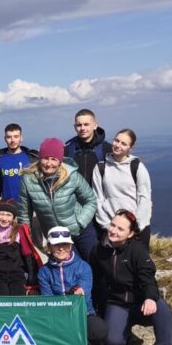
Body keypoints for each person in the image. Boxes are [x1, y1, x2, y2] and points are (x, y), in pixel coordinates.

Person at [90, 209, 172, 345]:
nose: (114, 231)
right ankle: (126, 335)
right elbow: (95, 281)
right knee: (114, 342)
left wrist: (150, 298)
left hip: (140, 303)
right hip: (117, 303)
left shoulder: (137, 250)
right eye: (113, 225)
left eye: (120, 229)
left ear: (130, 234)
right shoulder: (98, 250)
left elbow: (148, 277)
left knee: (162, 310)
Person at [37, 227, 109, 345]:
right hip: (58, 317)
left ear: (71, 246)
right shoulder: (44, 271)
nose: (61, 248)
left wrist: (76, 294)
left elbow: (83, 298)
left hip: (83, 314)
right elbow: (47, 300)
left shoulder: (84, 267)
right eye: (56, 245)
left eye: (65, 244)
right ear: (49, 247)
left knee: (99, 329)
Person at [18, 138, 98, 258]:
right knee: (69, 267)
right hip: (57, 237)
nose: (48, 163)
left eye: (53, 159)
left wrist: (80, 222)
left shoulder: (72, 176)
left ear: (60, 161)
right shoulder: (28, 180)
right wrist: (26, 241)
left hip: (81, 231)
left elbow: (90, 200)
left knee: (93, 260)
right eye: (45, 158)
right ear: (40, 158)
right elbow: (24, 215)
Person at [64, 108, 113, 260]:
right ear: (75, 127)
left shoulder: (106, 149)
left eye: (86, 124)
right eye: (79, 125)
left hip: (101, 208)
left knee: (104, 249)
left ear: (95, 125)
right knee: (84, 252)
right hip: (77, 209)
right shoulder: (68, 150)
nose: (83, 128)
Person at [92, 129, 153, 247]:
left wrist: (136, 227)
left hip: (137, 230)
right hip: (112, 230)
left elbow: (144, 198)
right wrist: (108, 226)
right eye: (116, 140)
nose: (118, 145)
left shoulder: (137, 167)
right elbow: (97, 199)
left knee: (138, 259)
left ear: (130, 148)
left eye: (124, 144)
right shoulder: (100, 167)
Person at [0, 199, 41, 296]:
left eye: (8, 215)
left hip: (17, 274)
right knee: (2, 300)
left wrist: (32, 285)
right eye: (1, 214)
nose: (4, 218)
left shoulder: (20, 231)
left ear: (14, 217)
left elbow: (29, 255)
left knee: (18, 299)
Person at [0, 123, 39, 204]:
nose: (12, 140)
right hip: (7, 206)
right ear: (5, 139)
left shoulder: (32, 158)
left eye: (16, 136)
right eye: (9, 137)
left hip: (29, 204)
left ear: (21, 138)